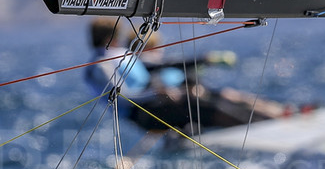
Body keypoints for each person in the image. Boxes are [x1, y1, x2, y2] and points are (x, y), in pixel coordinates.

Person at [85, 19, 294, 134]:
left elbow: (159, 66)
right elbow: (121, 97)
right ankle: (262, 128)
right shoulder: (99, 65)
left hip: (156, 102)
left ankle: (275, 118)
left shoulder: (120, 54)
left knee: (209, 94)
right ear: (109, 37)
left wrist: (204, 60)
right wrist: (154, 93)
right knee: (198, 103)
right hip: (143, 114)